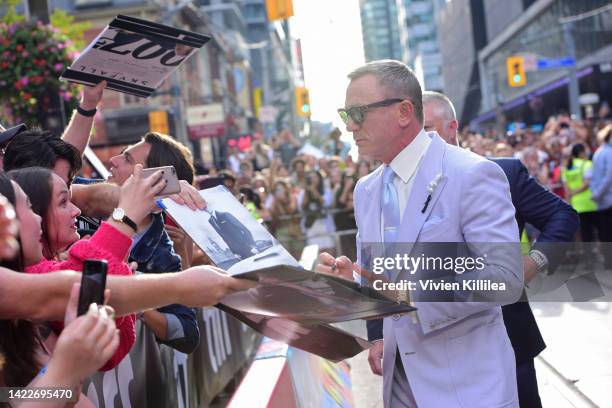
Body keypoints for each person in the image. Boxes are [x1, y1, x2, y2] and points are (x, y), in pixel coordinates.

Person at [318, 60, 523, 407]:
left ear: (403, 111)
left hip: (468, 387)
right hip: (399, 382)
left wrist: (414, 295)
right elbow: (379, 281)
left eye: (358, 113)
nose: (350, 126)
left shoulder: (471, 173)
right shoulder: (366, 190)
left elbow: (503, 278)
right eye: (345, 114)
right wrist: (348, 281)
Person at [383, 90, 577, 408]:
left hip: (509, 332)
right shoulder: (397, 189)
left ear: (452, 127)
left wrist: (535, 260)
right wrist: (379, 333)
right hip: (437, 346)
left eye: (429, 129)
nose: (422, 141)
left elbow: (562, 215)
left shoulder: (499, 172)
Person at [9, 164, 165, 371]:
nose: (77, 211)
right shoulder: (19, 279)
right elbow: (85, 288)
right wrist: (125, 216)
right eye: (63, 202)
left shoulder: (50, 268)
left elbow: (114, 348)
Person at [107, 131, 200, 353]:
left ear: (156, 183)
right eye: (122, 154)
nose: (113, 160)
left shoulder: (163, 257)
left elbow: (187, 334)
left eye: (127, 159)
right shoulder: (79, 208)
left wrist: (138, 305)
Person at [590, 124, 612, 270]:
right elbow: (608, 177)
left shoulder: (599, 152)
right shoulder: (608, 152)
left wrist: (596, 194)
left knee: (605, 232)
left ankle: (608, 262)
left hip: (601, 199)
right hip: (608, 198)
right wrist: (599, 193)